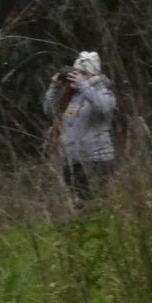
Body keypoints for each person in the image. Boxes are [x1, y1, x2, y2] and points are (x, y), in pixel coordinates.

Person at [45, 50, 116, 202]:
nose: (76, 77)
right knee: (79, 207)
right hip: (74, 160)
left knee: (96, 204)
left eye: (81, 73)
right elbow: (48, 110)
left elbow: (104, 108)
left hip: (96, 160)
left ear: (90, 74)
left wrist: (84, 86)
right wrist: (55, 88)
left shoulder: (103, 91)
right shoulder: (74, 95)